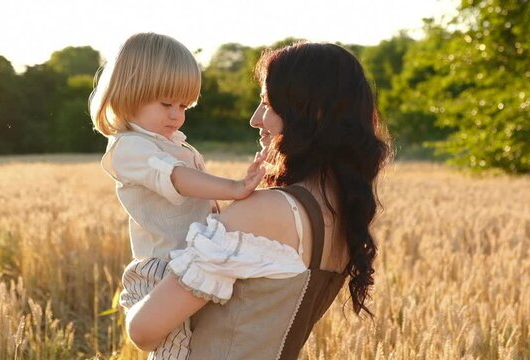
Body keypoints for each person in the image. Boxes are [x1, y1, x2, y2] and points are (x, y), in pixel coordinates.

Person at [126, 42, 391, 359]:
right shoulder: (340, 211)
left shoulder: (264, 211)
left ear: (310, 112)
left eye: (267, 104)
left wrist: (137, 290)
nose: (255, 119)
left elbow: (143, 331)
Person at [89, 32, 282, 360]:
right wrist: (234, 188)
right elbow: (177, 179)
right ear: (128, 94)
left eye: (184, 106)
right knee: (174, 352)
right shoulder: (128, 147)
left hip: (189, 262)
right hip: (163, 269)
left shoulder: (170, 141)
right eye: (166, 104)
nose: (177, 115)